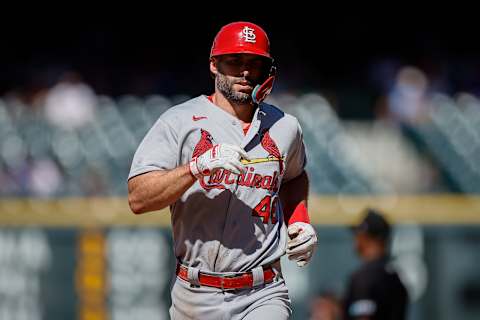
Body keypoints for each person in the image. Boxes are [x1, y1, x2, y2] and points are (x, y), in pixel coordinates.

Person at [127, 21, 318, 319]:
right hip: (195, 292)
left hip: (262, 290)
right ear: (214, 65)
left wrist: (300, 219)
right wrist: (194, 168)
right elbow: (138, 198)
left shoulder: (285, 127)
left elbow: (294, 177)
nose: (245, 71)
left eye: (255, 63)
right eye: (235, 61)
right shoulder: (179, 121)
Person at [344, 208, 408, 320]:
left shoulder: (365, 277)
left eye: (358, 234)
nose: (355, 238)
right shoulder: (395, 276)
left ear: (365, 237)